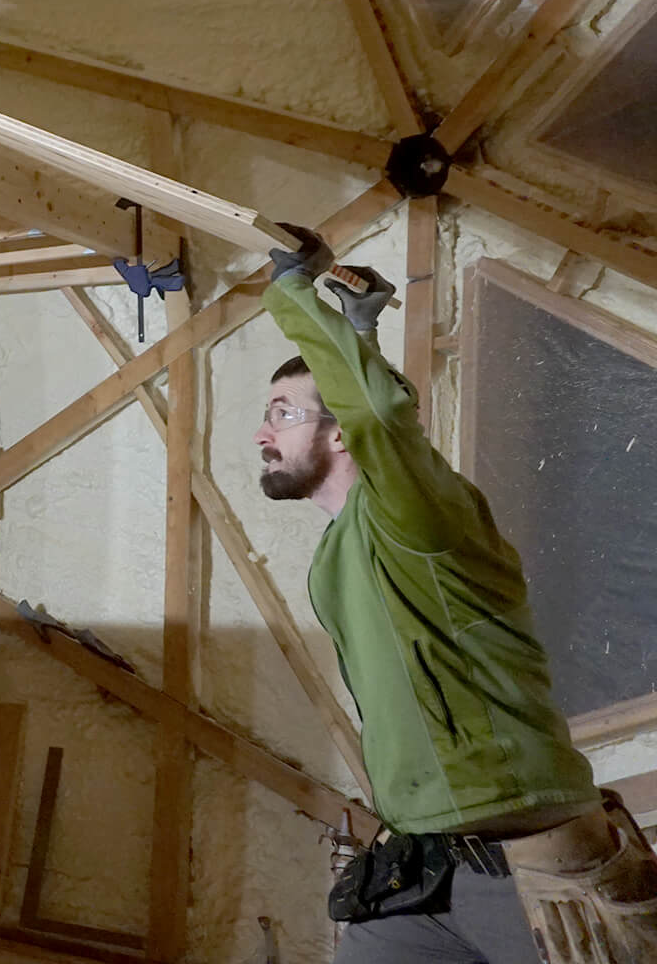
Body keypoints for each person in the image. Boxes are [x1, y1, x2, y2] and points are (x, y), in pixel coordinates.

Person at [258, 223, 657, 963]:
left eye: (283, 411)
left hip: (534, 866)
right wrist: (358, 333)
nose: (263, 433)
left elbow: (381, 418)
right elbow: (372, 415)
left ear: (339, 434)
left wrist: (291, 292)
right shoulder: (344, 546)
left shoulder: (424, 519)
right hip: (419, 871)